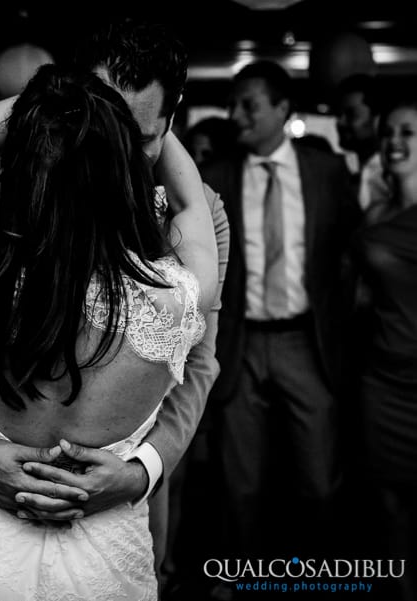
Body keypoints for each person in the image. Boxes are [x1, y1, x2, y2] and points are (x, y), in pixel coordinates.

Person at [0, 17, 230, 597]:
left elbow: (202, 364)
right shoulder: (3, 182)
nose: (114, 150)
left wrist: (141, 469)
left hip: (116, 495)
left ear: (172, 117)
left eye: (136, 134)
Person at [199, 60, 361, 562]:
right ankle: (241, 577)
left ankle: (322, 576)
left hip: (305, 340)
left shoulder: (326, 171)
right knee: (240, 483)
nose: (237, 115)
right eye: (234, 104)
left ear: (282, 109)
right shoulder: (217, 174)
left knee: (318, 479)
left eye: (249, 105)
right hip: (240, 343)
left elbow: (350, 248)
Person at [350, 97, 417, 601]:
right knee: (386, 499)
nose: (395, 141)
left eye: (408, 133)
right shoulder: (374, 209)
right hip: (381, 377)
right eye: (390, 132)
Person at [335, 73, 388, 210]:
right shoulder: (343, 172)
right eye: (338, 114)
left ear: (377, 120)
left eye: (351, 114)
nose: (340, 122)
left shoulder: (393, 175)